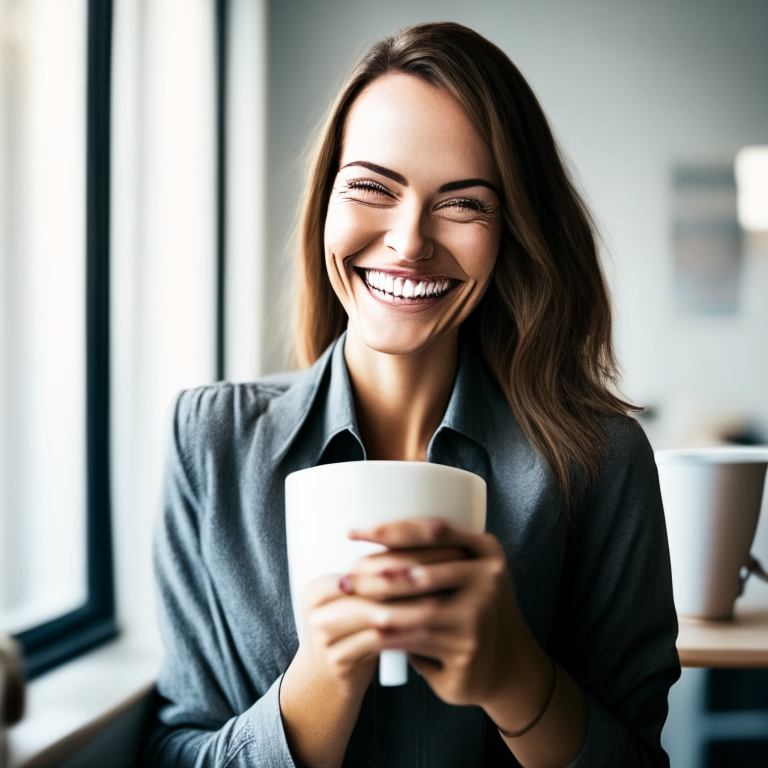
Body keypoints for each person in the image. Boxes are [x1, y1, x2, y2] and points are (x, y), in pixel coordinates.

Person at [144, 21, 680, 768]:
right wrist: (321, 681)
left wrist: (517, 679)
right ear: (326, 199)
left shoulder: (601, 460)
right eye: (371, 187)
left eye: (463, 203)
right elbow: (174, 750)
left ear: (511, 231)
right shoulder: (212, 441)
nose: (408, 241)